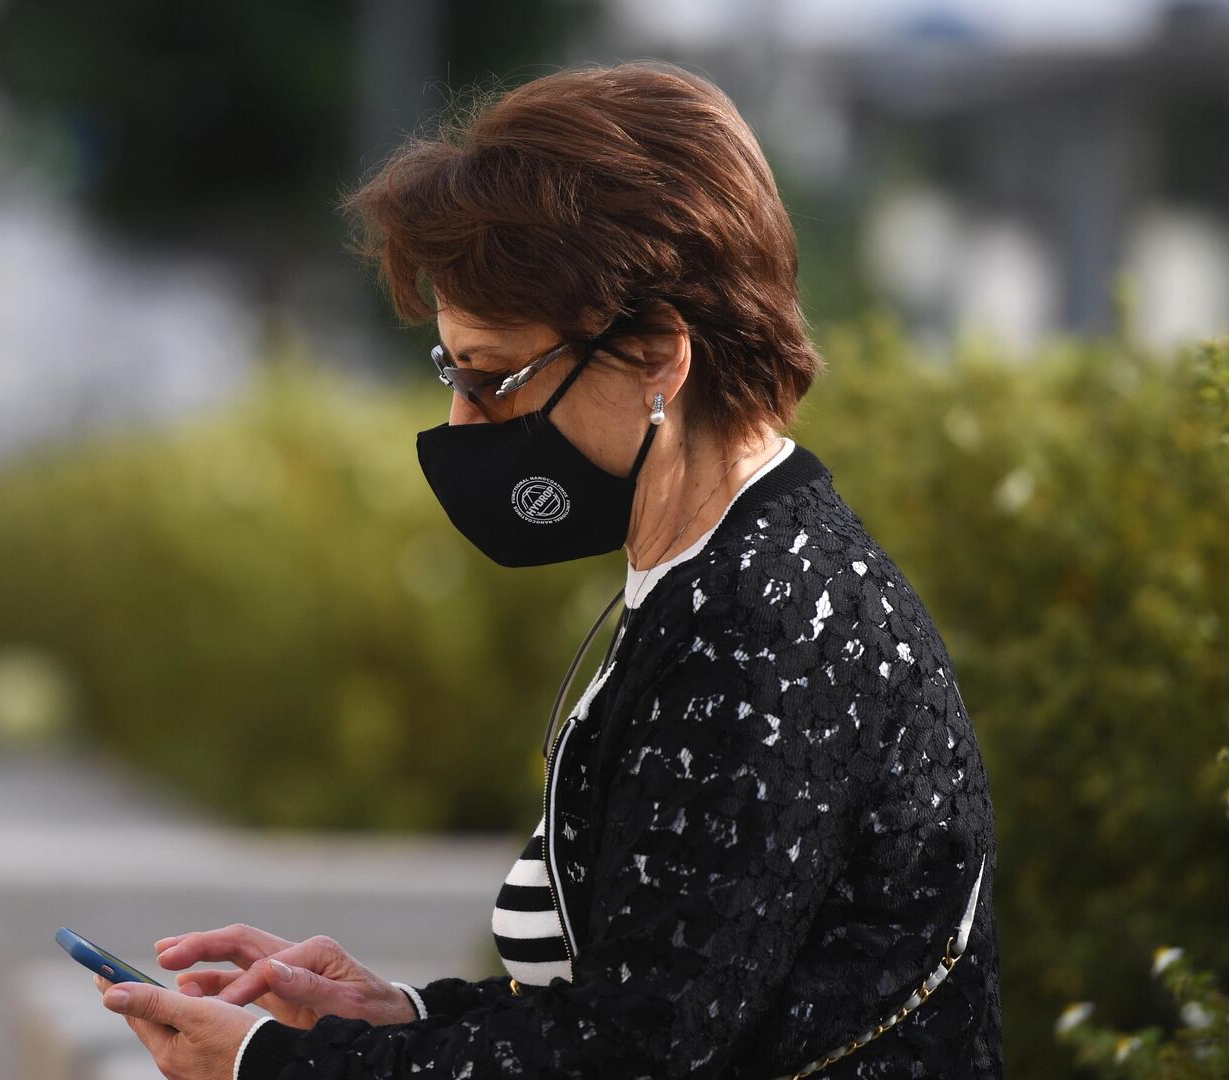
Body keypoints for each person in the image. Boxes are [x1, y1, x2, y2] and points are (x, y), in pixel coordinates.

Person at [90, 61, 1004, 1078]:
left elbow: (631, 1059)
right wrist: (382, 1015)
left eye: (494, 379)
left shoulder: (763, 628)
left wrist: (273, 1065)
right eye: (452, 375)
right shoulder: (719, 577)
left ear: (659, 354)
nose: (461, 425)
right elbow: (654, 997)